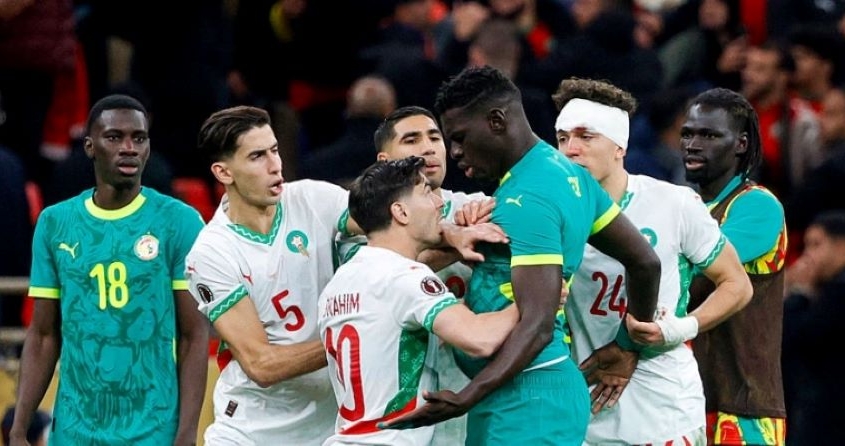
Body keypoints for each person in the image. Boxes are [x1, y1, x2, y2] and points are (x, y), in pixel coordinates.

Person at [187, 105, 507, 446]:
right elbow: (262, 364)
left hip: (329, 424)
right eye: (257, 156)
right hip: (252, 431)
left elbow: (391, 223)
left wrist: (455, 234)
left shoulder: (312, 198)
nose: (274, 165)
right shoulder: (212, 252)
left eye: (275, 150)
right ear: (223, 172)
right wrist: (361, 328)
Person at [383, 65, 662, 445]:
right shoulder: (565, 174)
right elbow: (644, 262)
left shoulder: (527, 197)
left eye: (460, 137)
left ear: (497, 121)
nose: (455, 152)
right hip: (517, 393)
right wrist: (629, 344)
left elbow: (538, 324)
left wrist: (466, 397)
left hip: (529, 398)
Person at [553, 77, 753, 445]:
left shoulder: (673, 203)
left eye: (586, 136)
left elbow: (737, 285)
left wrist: (682, 328)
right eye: (562, 138)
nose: (570, 149)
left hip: (663, 410)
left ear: (620, 146)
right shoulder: (552, 215)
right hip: (584, 412)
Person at [9, 94, 209, 445]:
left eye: (139, 138)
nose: (129, 148)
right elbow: (43, 335)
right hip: (75, 431)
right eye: (114, 137)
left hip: (153, 431)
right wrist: (19, 427)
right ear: (90, 146)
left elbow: (194, 335)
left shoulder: (180, 222)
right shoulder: (55, 224)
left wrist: (186, 433)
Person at [318, 156, 516, 446]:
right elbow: (480, 339)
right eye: (426, 192)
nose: (438, 204)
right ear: (400, 212)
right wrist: (532, 300)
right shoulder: (404, 275)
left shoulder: (337, 285)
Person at [682, 87, 788, 445]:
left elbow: (693, 268)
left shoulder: (757, 206)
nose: (693, 145)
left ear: (741, 144)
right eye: (688, 134)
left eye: (709, 135)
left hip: (744, 410)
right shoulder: (686, 207)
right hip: (686, 401)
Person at [782, 210, 845, 445]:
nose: (807, 255)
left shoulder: (838, 293)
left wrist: (798, 294)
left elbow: (797, 338)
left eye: (816, 245)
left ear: (841, 246)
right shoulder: (829, 290)